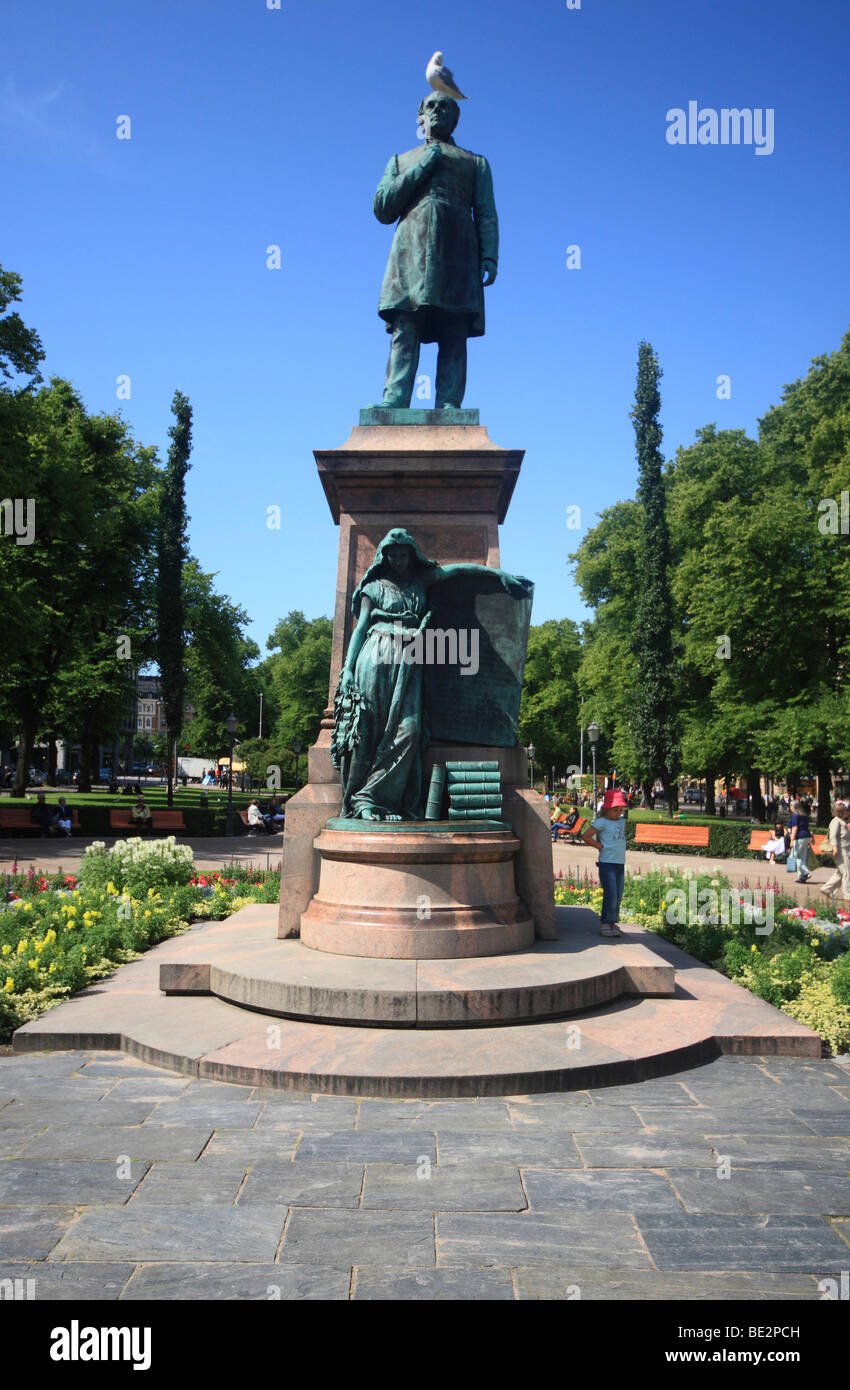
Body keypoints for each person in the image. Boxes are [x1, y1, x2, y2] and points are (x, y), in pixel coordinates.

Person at [333, 529, 530, 820]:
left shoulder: (421, 581)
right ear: (384, 556)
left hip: (410, 660)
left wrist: (497, 576)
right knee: (369, 730)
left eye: (404, 554)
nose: (398, 560)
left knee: (408, 732)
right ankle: (364, 803)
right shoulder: (372, 588)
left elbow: (457, 571)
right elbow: (360, 629)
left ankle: (377, 796)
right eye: (393, 555)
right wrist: (348, 670)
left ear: (412, 555)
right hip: (375, 656)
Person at [373, 91, 498, 409]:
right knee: (405, 328)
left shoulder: (475, 163)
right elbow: (383, 208)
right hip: (410, 255)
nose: (438, 110)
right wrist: (424, 165)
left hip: (458, 255)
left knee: (454, 329)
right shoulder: (401, 161)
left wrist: (489, 255)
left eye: (446, 107)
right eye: (432, 106)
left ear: (456, 118)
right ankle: (394, 400)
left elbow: (485, 212)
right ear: (420, 116)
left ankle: (449, 404)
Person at [582, 788, 629, 938]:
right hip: (607, 863)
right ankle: (605, 923)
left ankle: (612, 923)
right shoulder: (602, 822)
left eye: (621, 809)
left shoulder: (621, 822)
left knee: (619, 894)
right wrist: (599, 847)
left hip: (619, 863)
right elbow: (586, 836)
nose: (619, 812)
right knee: (611, 893)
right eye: (616, 810)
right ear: (606, 809)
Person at [820, 802, 850, 904]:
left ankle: (826, 889)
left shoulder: (842, 821)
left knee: (841, 873)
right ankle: (848, 896)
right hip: (841, 851)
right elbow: (833, 836)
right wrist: (835, 848)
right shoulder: (836, 821)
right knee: (847, 873)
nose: (848, 812)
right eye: (846, 810)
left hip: (845, 851)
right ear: (841, 812)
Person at [788, 798, 813, 882]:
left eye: (791, 805)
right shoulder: (804, 816)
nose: (790, 807)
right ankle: (801, 877)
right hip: (806, 837)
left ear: (794, 806)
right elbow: (806, 827)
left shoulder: (795, 816)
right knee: (802, 857)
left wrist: (792, 839)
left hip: (799, 837)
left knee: (796, 857)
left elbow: (795, 828)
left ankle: (806, 873)